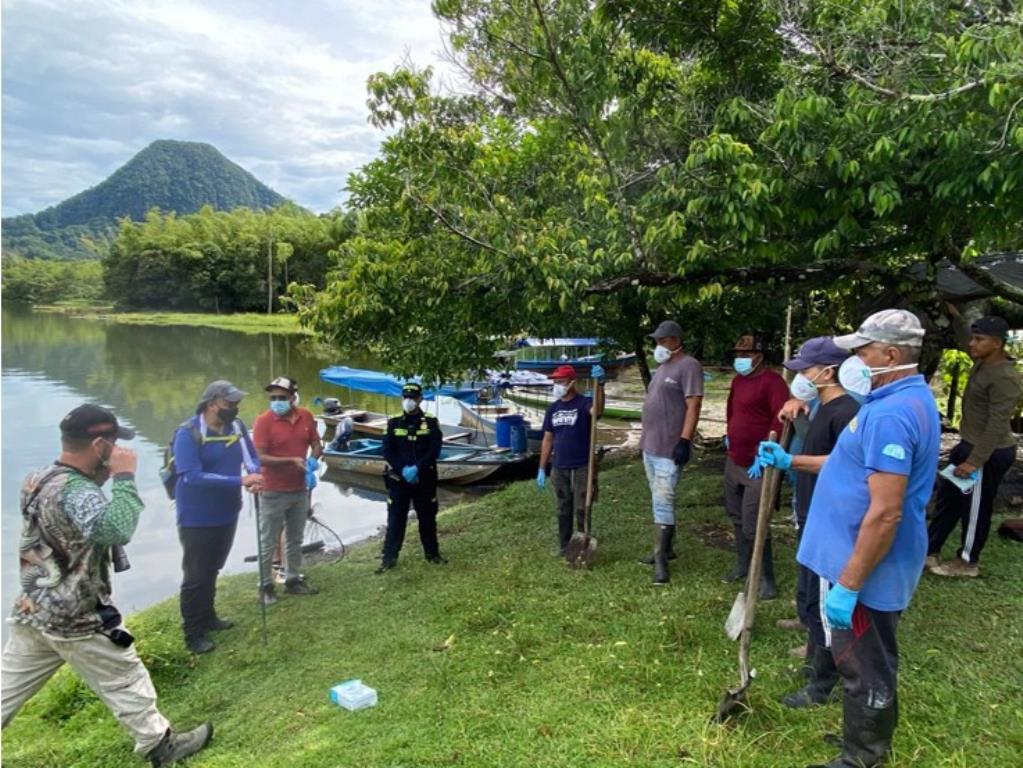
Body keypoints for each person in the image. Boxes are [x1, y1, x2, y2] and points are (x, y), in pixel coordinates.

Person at [1, 404, 213, 766]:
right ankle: (160, 745)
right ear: (99, 445)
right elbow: (115, 529)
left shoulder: (38, 478)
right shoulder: (78, 490)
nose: (119, 450)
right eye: (114, 443)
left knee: (7, 687)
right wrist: (125, 477)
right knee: (125, 675)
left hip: (33, 608)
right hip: (77, 617)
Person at [794, 309, 940, 768]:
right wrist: (789, 461)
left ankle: (862, 756)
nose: (854, 360)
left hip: (866, 564)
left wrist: (850, 583)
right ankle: (860, 736)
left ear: (890, 355)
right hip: (857, 556)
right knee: (866, 656)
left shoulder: (892, 414)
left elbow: (886, 511)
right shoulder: (897, 401)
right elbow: (851, 466)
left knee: (866, 664)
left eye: (862, 351)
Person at [757, 337, 860, 709]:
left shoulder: (846, 412)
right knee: (814, 598)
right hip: (813, 510)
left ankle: (822, 685)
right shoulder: (822, 406)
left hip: (831, 515)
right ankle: (815, 662)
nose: (800, 376)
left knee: (825, 604)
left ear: (828, 372)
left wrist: (790, 462)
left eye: (806, 370)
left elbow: (845, 464)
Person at [927, 316, 1022, 577]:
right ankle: (929, 550)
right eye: (972, 338)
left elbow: (997, 424)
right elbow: (962, 332)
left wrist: (974, 461)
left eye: (979, 339)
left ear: (997, 343)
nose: (972, 343)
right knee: (948, 500)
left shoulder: (1005, 377)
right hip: (968, 445)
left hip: (988, 452)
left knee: (976, 508)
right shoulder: (983, 363)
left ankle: (967, 562)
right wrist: (953, 313)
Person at [173, 380, 263, 654]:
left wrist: (255, 476)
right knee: (195, 575)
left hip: (227, 511)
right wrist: (240, 480)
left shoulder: (236, 427)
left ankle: (209, 616)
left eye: (237, 403)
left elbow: (251, 458)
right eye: (229, 403)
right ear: (212, 404)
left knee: (213, 567)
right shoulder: (188, 433)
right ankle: (193, 632)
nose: (235, 408)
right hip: (196, 516)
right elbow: (191, 476)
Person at [722, 334, 789, 599]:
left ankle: (766, 578)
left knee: (755, 521)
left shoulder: (773, 383)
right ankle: (743, 564)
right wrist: (730, 435)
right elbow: (731, 411)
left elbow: (780, 420)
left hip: (759, 464)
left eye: (745, 354)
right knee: (736, 515)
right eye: (738, 354)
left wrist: (766, 454)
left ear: (758, 356)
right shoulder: (738, 381)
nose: (740, 359)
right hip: (735, 458)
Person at [637, 320, 704, 585]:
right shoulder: (662, 367)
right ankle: (667, 549)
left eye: (663, 340)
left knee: (663, 500)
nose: (659, 345)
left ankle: (661, 561)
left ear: (676, 340)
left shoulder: (689, 366)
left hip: (669, 446)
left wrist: (684, 440)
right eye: (657, 341)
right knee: (657, 496)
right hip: (650, 445)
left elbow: (694, 405)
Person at [252, 376, 323, 603]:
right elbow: (260, 457)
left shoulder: (306, 416)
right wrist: (291, 461)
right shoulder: (263, 421)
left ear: (293, 397)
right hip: (273, 490)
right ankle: (265, 586)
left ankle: (293, 579)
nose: (277, 402)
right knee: (268, 540)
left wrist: (313, 460)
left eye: (281, 397)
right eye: (272, 398)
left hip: (299, 488)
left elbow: (316, 443)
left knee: (295, 537)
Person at [536, 364, 605, 555]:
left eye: (561, 381)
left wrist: (601, 386)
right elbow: (548, 438)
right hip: (559, 466)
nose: (557, 385)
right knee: (563, 505)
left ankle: (583, 540)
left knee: (582, 505)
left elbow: (597, 411)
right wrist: (542, 468)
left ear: (572, 382)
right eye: (555, 381)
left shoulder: (584, 403)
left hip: (582, 464)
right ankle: (564, 544)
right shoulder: (553, 409)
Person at [377, 382, 445, 573]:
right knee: (395, 521)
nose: (409, 401)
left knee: (427, 519)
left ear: (420, 399)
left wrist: (418, 468)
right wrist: (403, 469)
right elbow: (387, 450)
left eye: (413, 398)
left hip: (424, 479)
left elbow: (435, 449)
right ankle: (388, 559)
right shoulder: (394, 423)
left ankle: (432, 555)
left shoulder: (430, 422)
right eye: (406, 397)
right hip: (399, 481)